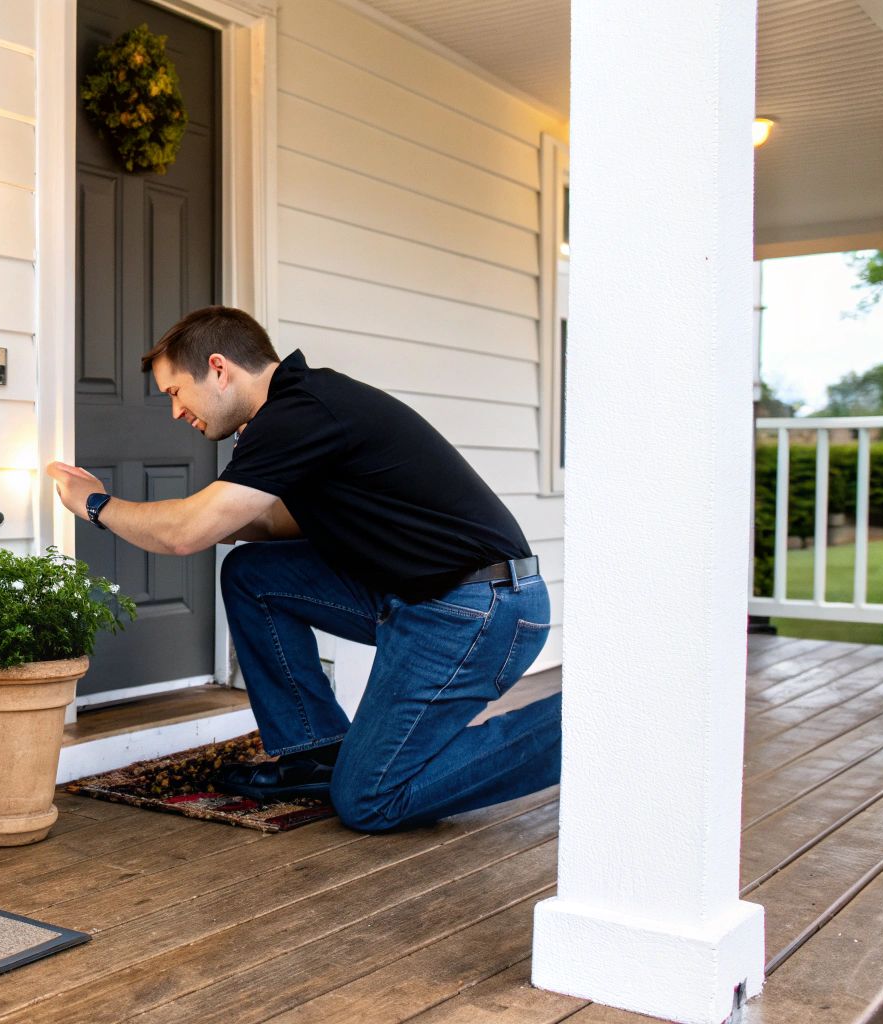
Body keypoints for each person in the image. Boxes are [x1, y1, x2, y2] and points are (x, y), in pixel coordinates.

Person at [46, 306, 557, 832]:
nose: (176, 412)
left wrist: (96, 504)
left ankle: (574, 730)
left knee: (369, 800)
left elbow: (185, 534)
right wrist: (202, 518)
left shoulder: (299, 413)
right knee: (253, 575)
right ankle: (314, 754)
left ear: (218, 369)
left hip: (475, 609)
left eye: (176, 392)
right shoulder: (297, 408)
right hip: (423, 594)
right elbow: (270, 523)